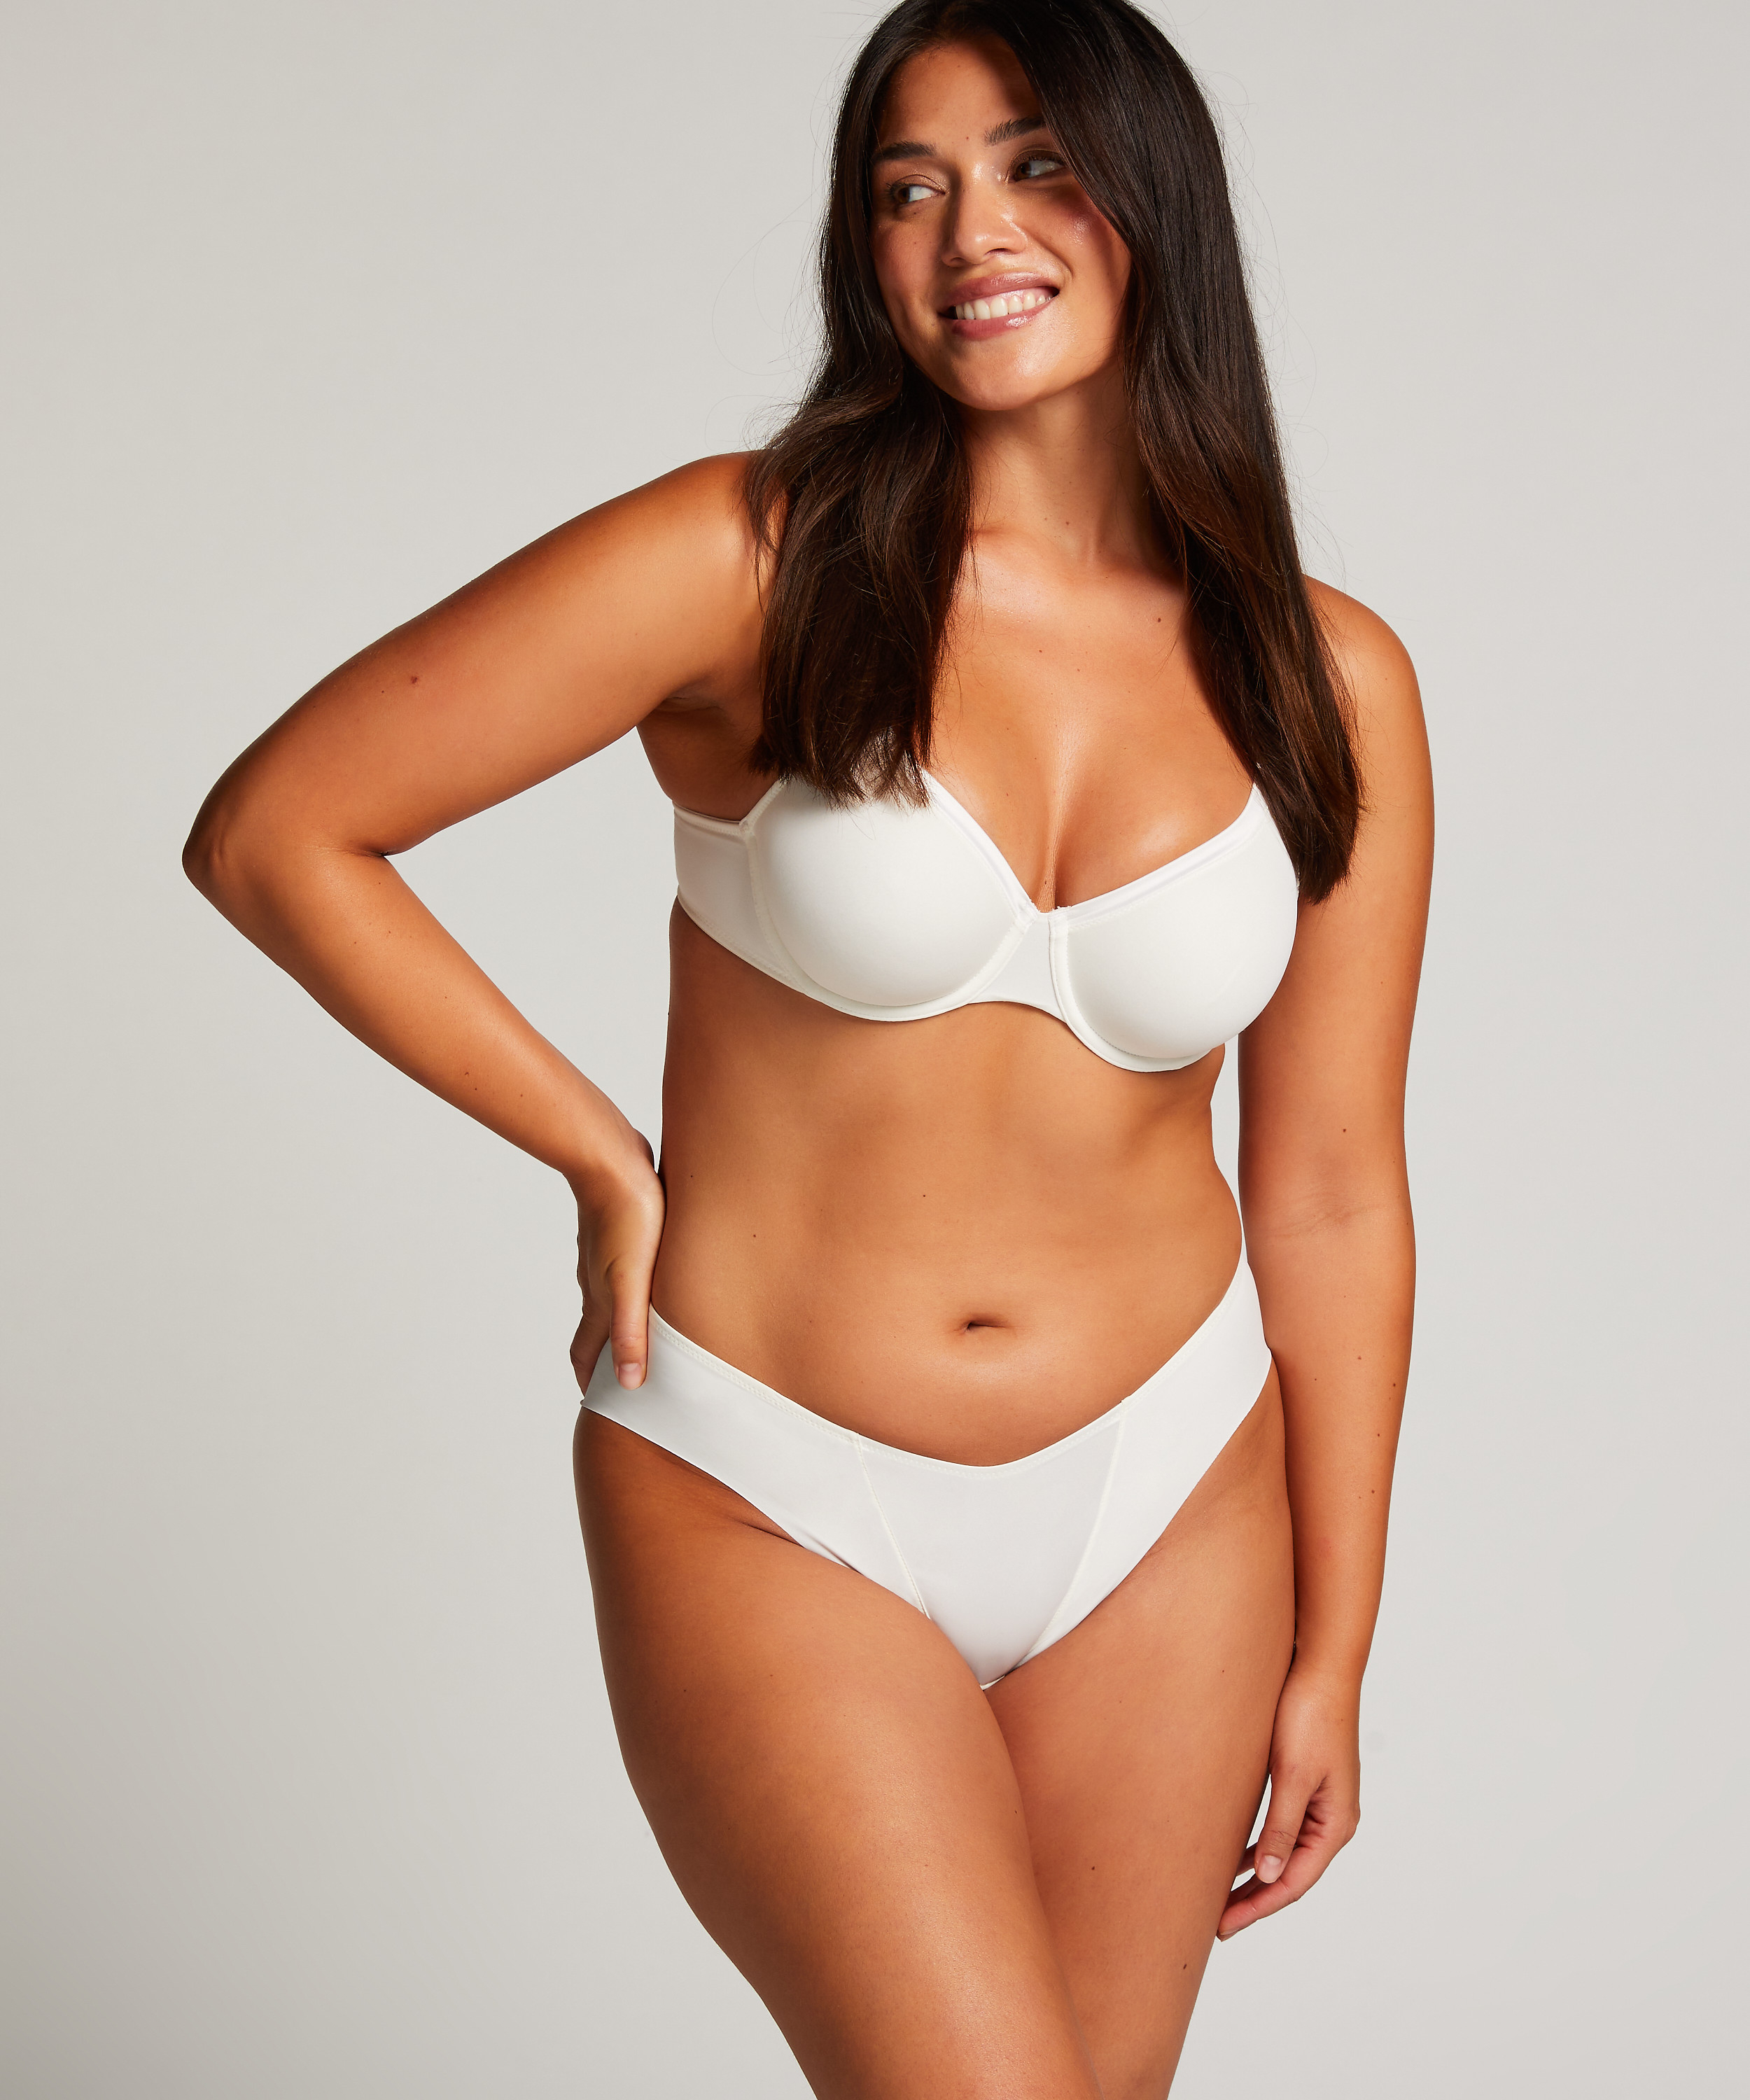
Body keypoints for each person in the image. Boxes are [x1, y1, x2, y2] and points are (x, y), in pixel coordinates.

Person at [185, 1, 1433, 2091]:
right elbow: (279, 831)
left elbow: (1329, 1193)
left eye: (1036, 165)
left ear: (1155, 201)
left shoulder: (1329, 675)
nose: (972, 233)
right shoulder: (751, 561)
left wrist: (1338, 1644)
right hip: (769, 1481)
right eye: (907, 187)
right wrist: (596, 1149)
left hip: (1169, 1499)